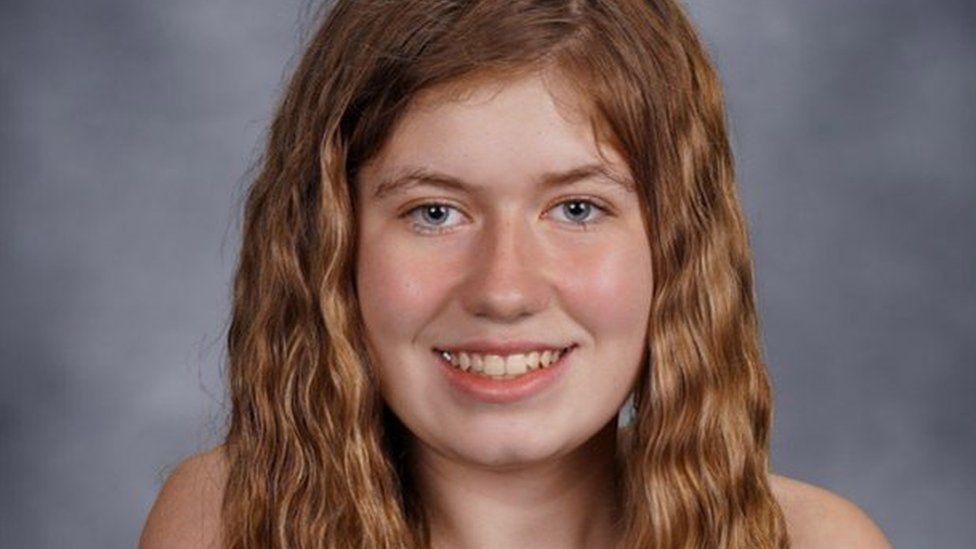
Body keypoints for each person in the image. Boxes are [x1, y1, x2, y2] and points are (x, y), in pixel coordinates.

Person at [140, 1, 891, 547]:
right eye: (435, 212)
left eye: (577, 208)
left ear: (678, 246)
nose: (504, 291)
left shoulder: (813, 541)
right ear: (329, 244)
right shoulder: (233, 520)